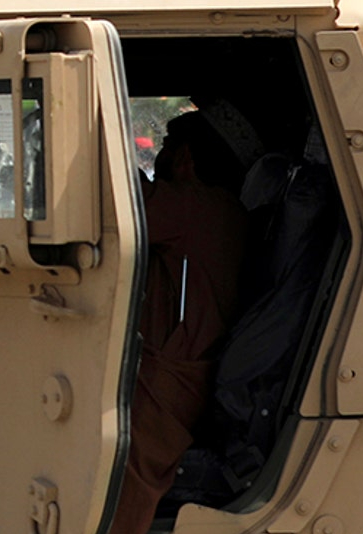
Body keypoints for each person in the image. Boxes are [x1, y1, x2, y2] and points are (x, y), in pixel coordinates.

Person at [111, 105, 255, 534]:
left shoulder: (199, 208)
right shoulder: (218, 210)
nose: (160, 154)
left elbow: (126, 202)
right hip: (165, 366)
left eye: (168, 146)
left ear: (186, 158)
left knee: (119, 489)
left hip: (167, 378)